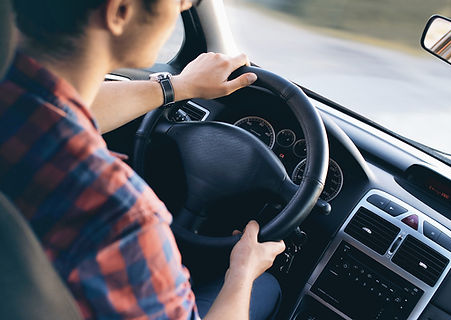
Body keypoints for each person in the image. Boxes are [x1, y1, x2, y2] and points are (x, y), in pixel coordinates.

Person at [0, 0, 286, 319]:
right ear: (119, 11)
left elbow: (61, 108)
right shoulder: (119, 216)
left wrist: (178, 86)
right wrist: (242, 271)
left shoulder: (15, 98)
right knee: (266, 287)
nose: (186, 4)